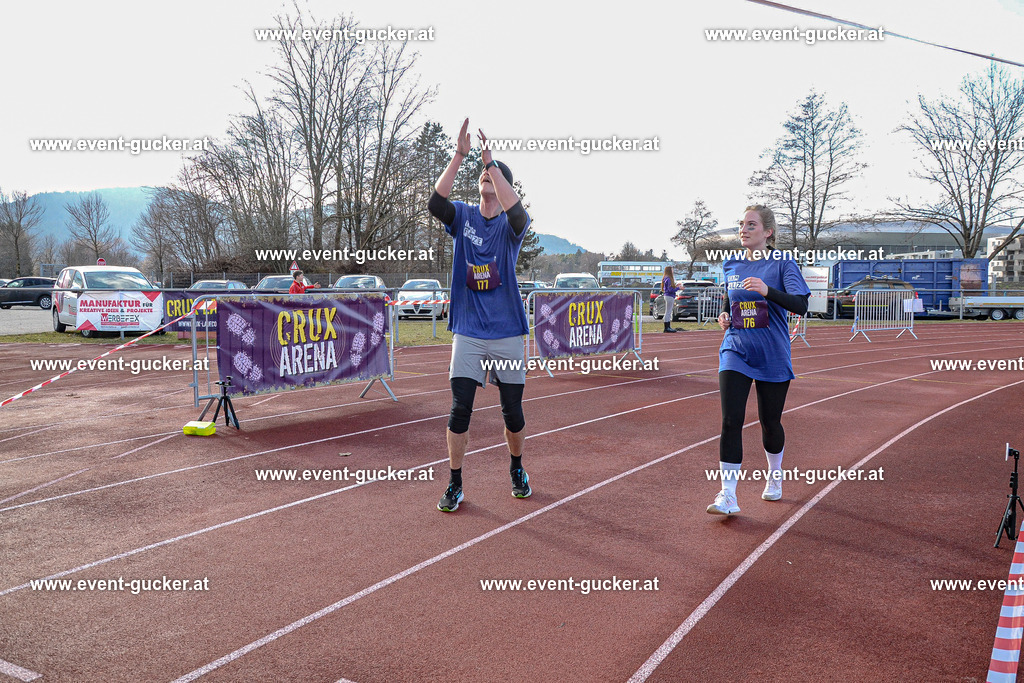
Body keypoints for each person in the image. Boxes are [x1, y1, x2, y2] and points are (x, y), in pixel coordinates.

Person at [427, 118, 532, 513]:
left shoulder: (510, 225)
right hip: (469, 330)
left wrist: (492, 163)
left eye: (493, 175)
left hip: (505, 331)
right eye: (483, 174)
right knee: (460, 410)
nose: (486, 177)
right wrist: (461, 155)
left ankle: (517, 468)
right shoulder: (465, 217)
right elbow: (435, 203)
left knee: (513, 413)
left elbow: (519, 212)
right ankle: (454, 482)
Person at [707, 205, 810, 516]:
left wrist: (768, 291)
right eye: (742, 224)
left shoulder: (783, 264)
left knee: (770, 422)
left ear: (768, 232)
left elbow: (802, 305)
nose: (744, 229)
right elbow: (731, 298)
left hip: (772, 353)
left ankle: (775, 474)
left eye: (751, 225)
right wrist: (725, 314)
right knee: (730, 421)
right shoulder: (731, 264)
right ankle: (728, 495)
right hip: (736, 348)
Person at [661, 264, 680, 332]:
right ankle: (667, 327)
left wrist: (675, 286)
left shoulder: (666, 278)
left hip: (668, 296)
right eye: (672, 270)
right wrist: (678, 288)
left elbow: (669, 288)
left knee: (668, 312)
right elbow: (670, 290)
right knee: (668, 312)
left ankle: (668, 326)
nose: (673, 271)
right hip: (669, 296)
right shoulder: (668, 278)